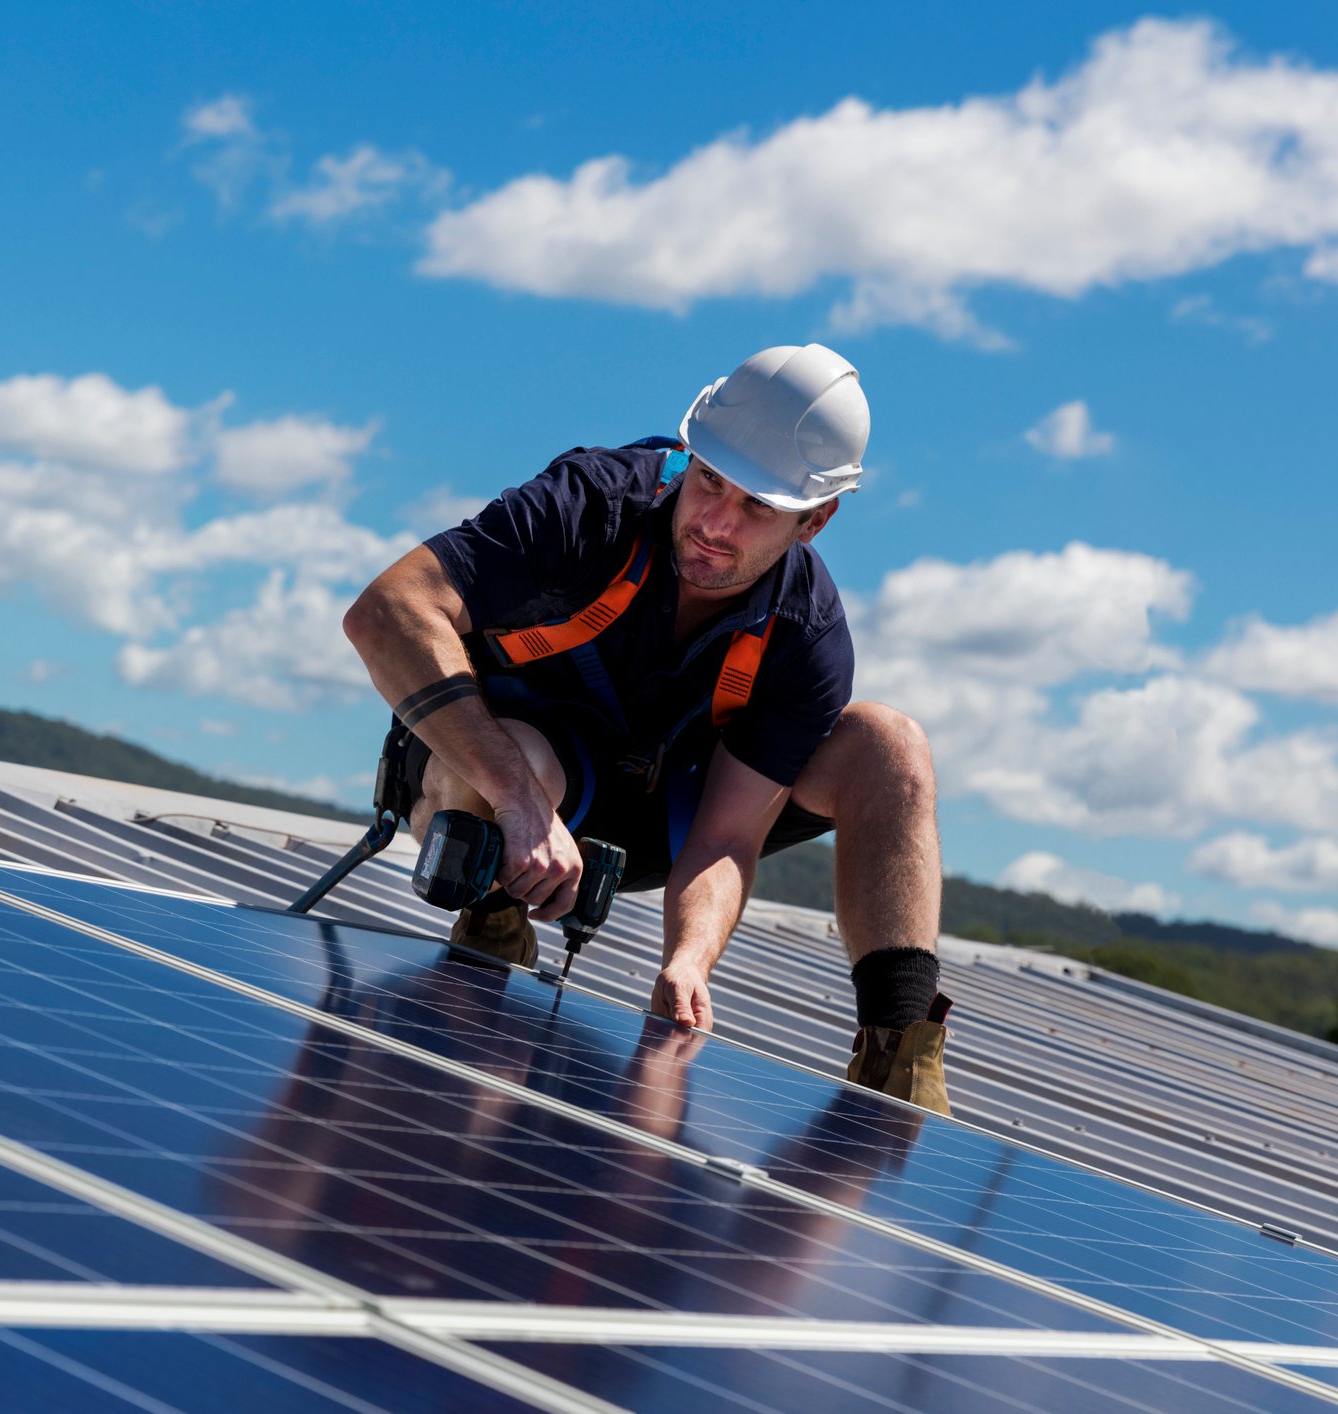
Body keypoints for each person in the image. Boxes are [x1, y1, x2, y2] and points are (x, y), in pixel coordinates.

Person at [341, 344, 951, 1114]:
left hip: (661, 819)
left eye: (756, 508)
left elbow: (727, 838)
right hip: (502, 785)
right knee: (523, 761)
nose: (714, 525)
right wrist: (520, 801)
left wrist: (690, 961)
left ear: (815, 521)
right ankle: (493, 919)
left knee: (888, 745)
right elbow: (386, 610)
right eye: (708, 483)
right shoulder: (589, 504)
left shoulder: (805, 635)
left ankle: (898, 1067)